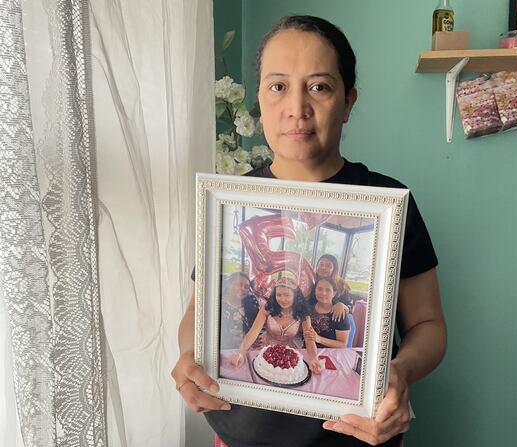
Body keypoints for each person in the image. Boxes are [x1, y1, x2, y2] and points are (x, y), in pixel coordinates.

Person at [171, 15, 447, 447]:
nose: (296, 108)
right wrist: (190, 356)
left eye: (319, 86)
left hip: (358, 436)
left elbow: (429, 325)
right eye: (278, 86)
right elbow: (197, 313)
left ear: (349, 101)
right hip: (240, 436)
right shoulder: (230, 201)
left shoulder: (386, 202)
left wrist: (400, 370)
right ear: (260, 98)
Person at [228, 276, 321, 373]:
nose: (282, 299)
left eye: (287, 295)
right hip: (263, 348)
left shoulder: (303, 313)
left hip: (288, 352)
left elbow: (309, 339)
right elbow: (253, 332)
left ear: (295, 295)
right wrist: (241, 352)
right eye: (279, 295)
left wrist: (314, 358)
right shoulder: (267, 308)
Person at [304, 276, 350, 348]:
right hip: (307, 349)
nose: (323, 293)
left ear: (334, 293)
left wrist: (319, 339)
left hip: (329, 353)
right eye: (320, 289)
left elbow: (342, 344)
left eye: (328, 290)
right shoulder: (308, 307)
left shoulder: (339, 313)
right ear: (315, 290)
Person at [219, 272, 260, 349]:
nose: (242, 289)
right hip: (222, 351)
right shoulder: (218, 306)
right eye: (238, 284)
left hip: (245, 352)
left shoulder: (252, 308)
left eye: (246, 287)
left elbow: (256, 331)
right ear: (228, 285)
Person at [315, 253, 353, 320]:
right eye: (321, 264)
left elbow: (350, 307)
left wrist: (342, 305)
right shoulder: (311, 282)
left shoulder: (341, 285)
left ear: (334, 269)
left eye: (328, 266)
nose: (323, 268)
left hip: (336, 319)